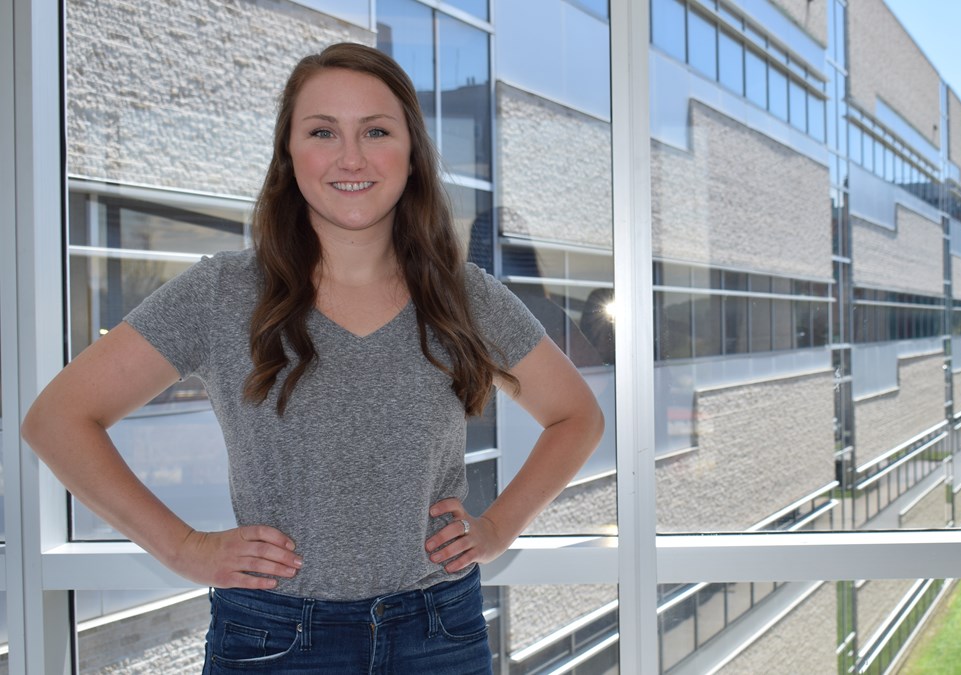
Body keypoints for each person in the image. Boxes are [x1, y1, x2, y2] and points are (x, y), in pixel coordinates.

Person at [21, 42, 603, 673]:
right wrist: (184, 547)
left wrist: (497, 528)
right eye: (322, 131)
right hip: (273, 640)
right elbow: (58, 419)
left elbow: (576, 416)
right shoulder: (220, 293)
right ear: (289, 155)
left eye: (376, 131)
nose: (350, 157)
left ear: (411, 156)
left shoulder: (465, 296)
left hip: (437, 633)